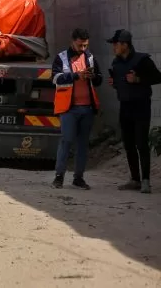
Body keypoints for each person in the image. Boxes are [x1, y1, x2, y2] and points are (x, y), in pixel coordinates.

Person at [107, 29, 161, 194]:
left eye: (116, 44)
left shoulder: (143, 60)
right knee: (128, 143)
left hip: (141, 106)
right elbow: (120, 84)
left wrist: (138, 79)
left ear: (125, 44)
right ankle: (135, 179)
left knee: (141, 143)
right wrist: (114, 83)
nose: (114, 47)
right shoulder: (116, 63)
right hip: (125, 107)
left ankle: (146, 181)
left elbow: (158, 77)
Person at [51, 28, 101, 190]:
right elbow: (55, 78)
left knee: (82, 145)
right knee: (66, 141)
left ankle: (78, 178)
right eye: (80, 45)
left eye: (85, 45)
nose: (83, 48)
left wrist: (93, 76)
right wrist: (76, 75)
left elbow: (99, 79)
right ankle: (59, 177)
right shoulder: (61, 58)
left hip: (87, 108)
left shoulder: (90, 58)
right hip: (69, 109)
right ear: (72, 42)